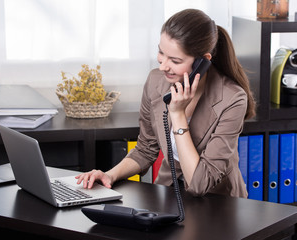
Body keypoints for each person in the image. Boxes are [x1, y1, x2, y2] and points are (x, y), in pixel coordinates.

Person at [76, 9, 256, 197]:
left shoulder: (232, 99)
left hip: (217, 203)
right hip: (169, 193)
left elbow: (199, 184)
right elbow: (146, 149)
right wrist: (108, 175)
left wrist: (178, 115)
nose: (163, 66)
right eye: (161, 52)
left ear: (203, 62)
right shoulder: (156, 82)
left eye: (175, 60)